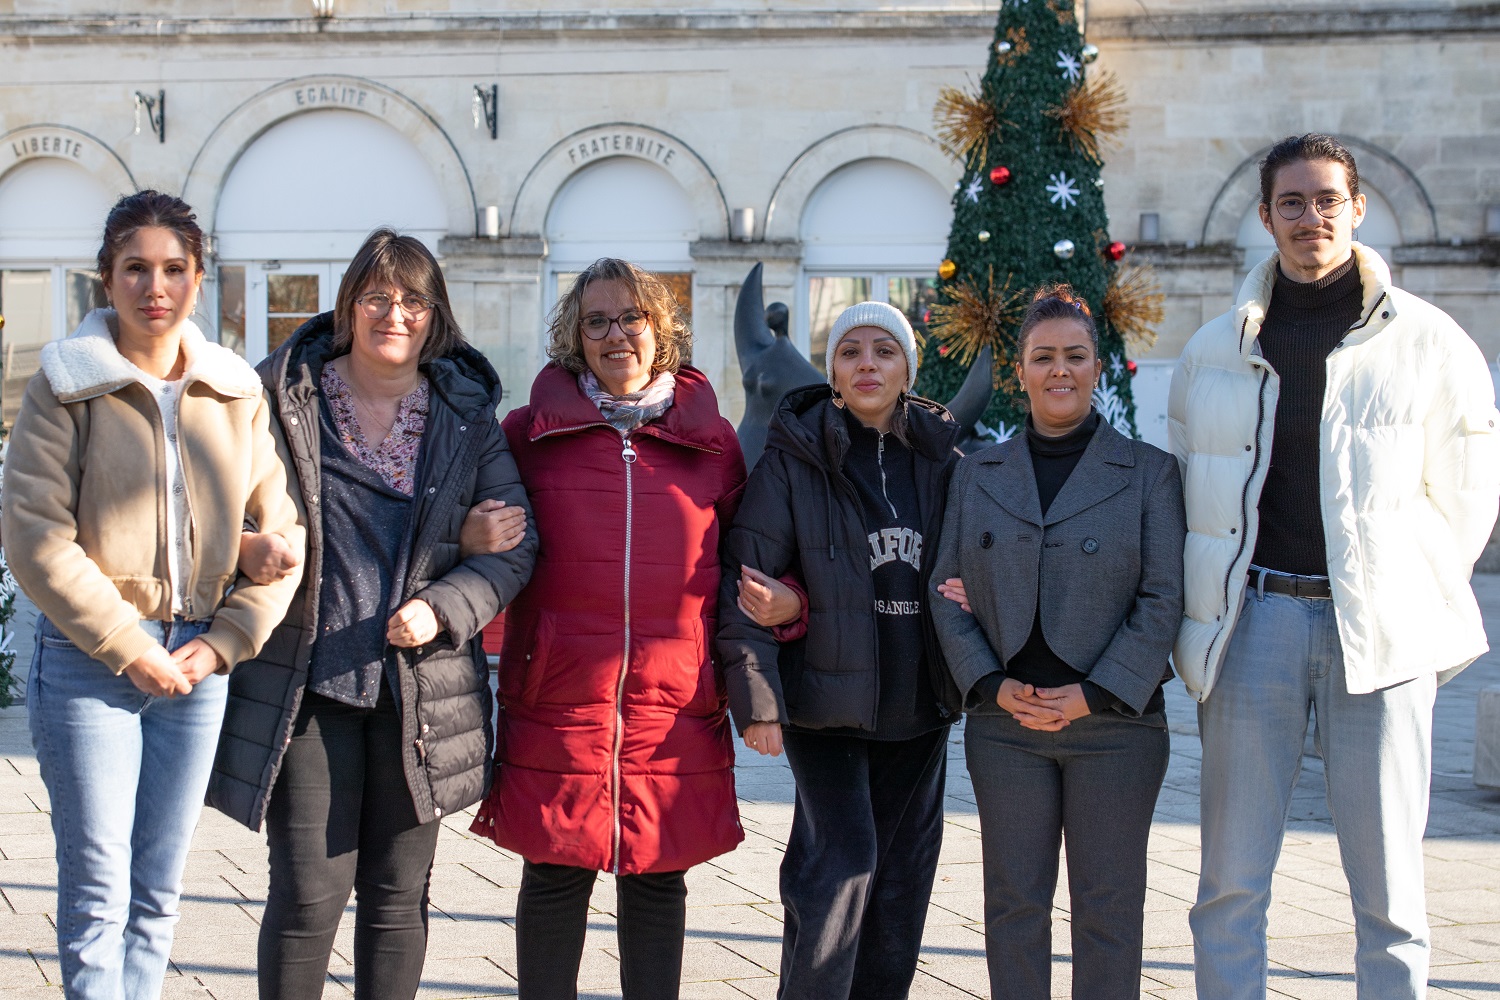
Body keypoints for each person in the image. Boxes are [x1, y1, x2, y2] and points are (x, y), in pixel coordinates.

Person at [1170, 133, 1500, 999]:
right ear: (1265, 215)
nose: (1310, 217)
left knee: (1389, 891)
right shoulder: (1213, 350)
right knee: (1229, 884)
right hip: (1254, 629)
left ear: (1357, 208)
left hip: (1379, 637)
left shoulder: (1431, 341)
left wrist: (1403, 587)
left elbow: (1466, 493)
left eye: (1326, 200)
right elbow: (1192, 493)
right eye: (1291, 202)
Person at [202, 228, 538, 1000]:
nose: (395, 313)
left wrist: (443, 605)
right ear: (350, 305)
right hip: (307, 685)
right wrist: (248, 545)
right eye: (378, 296)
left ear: (435, 316)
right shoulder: (283, 402)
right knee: (308, 894)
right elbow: (217, 509)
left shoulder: (465, 417)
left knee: (397, 897)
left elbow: (515, 548)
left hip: (421, 691)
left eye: (414, 299)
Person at [0, 190, 305, 999]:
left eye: (174, 268)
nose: (154, 286)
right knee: (98, 889)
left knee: (159, 887)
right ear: (106, 280)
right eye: (135, 268)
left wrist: (227, 640)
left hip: (199, 662)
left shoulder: (235, 390)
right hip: (89, 660)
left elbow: (285, 536)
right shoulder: (65, 384)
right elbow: (36, 537)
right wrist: (131, 647)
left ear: (199, 280)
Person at [469, 257, 748, 1000]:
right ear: (574, 336)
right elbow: (483, 535)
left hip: (673, 699)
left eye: (632, 317)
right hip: (559, 691)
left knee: (658, 881)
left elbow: (753, 562)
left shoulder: (713, 442)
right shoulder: (528, 435)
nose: (616, 333)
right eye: (597, 320)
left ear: (661, 330)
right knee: (555, 874)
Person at [929, 286, 1185, 1000]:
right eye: (1043, 357)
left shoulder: (1150, 473)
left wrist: (1095, 692)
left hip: (1115, 727)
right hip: (1005, 726)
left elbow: (1163, 599)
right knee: (1013, 907)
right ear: (1020, 371)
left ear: (1099, 367)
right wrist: (989, 683)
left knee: (1108, 910)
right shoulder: (976, 473)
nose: (1059, 370)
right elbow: (943, 592)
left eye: (1075, 355)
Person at [717, 301, 962, 1000]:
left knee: (902, 880)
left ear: (907, 369)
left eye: (884, 351)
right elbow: (749, 583)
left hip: (918, 707)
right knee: (842, 864)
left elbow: (979, 558)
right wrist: (758, 699)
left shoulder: (943, 461)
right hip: (822, 705)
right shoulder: (794, 458)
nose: (867, 364)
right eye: (850, 351)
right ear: (832, 372)